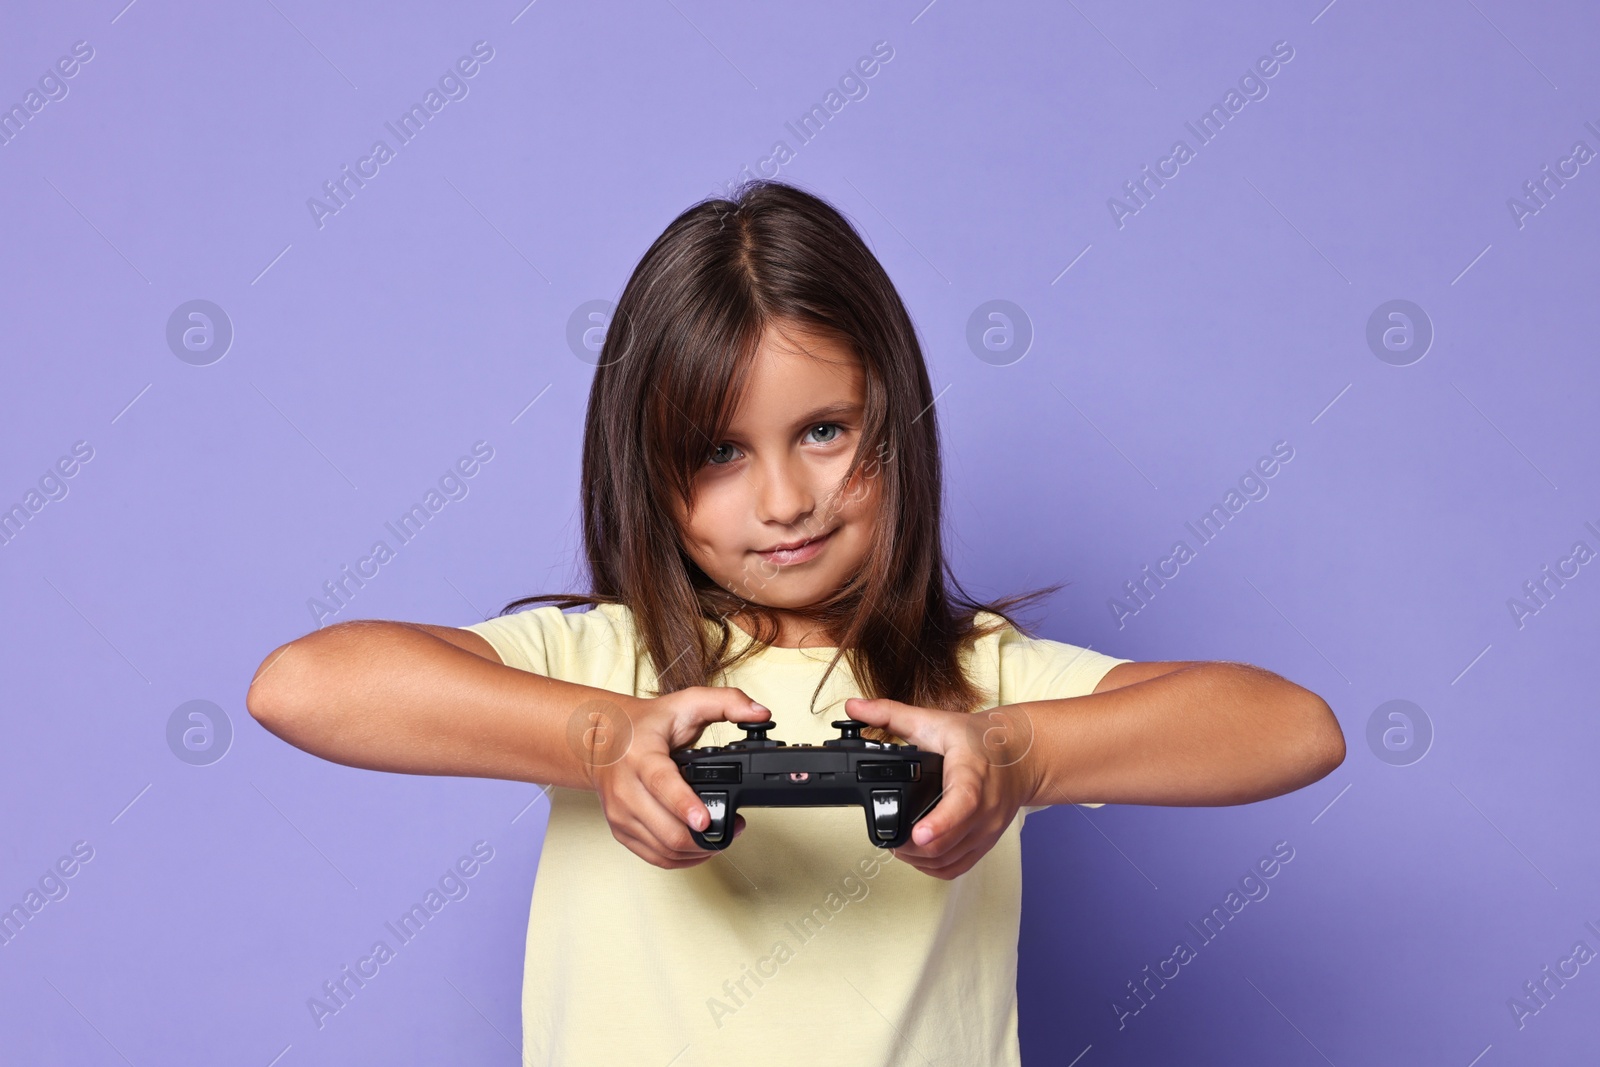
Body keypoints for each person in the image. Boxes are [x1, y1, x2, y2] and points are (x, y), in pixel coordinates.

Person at [246, 179, 1345, 1065]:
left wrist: (1016, 754)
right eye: (720, 451)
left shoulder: (973, 686)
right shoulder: (601, 662)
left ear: (898, 424)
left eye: (824, 430)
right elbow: (302, 682)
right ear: (647, 470)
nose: (783, 500)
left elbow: (1293, 727)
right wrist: (599, 740)